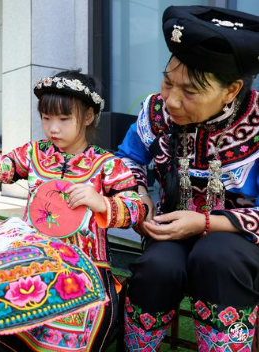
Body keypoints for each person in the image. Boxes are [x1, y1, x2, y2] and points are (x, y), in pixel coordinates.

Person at [0, 70, 146, 351]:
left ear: (88, 116)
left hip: (85, 267)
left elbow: (136, 209)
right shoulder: (34, 153)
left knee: (78, 315)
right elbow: (0, 168)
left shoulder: (107, 165)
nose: (53, 128)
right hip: (31, 258)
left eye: (63, 119)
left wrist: (101, 203)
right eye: (46, 118)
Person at [116, 6, 259, 351]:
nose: (173, 101)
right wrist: (138, 194)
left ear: (231, 90)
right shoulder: (155, 110)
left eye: (191, 91)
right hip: (170, 231)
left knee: (217, 257)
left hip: (237, 242)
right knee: (156, 266)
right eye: (167, 82)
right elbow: (128, 158)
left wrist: (204, 221)